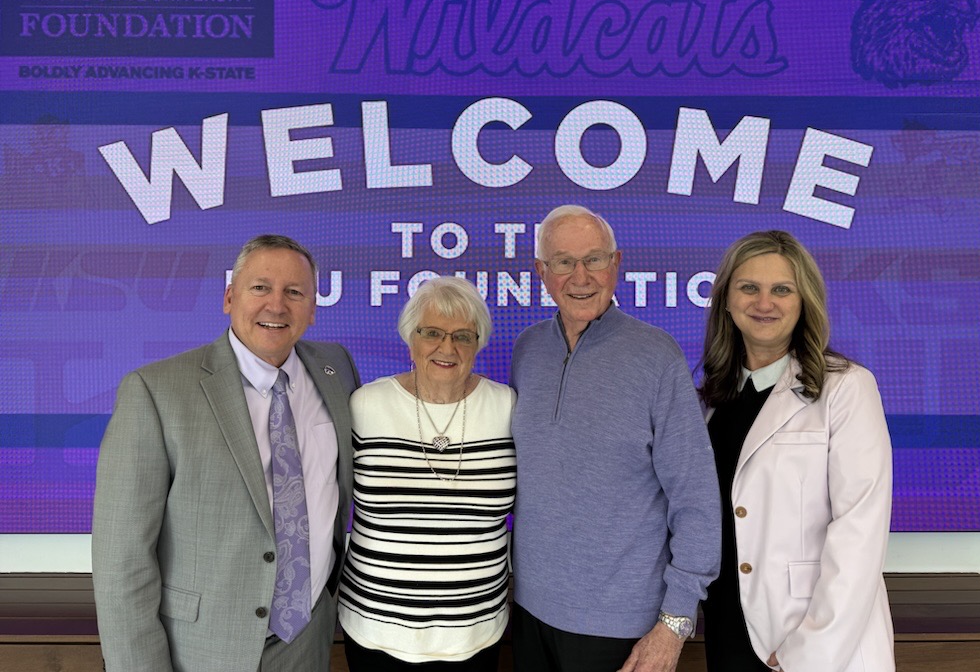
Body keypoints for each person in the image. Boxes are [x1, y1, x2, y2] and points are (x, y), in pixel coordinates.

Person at [92, 234, 360, 672]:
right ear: (229, 298)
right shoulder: (156, 391)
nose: (277, 305)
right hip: (201, 649)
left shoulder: (336, 369)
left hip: (307, 641)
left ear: (313, 310)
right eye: (260, 288)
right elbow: (121, 560)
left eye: (295, 292)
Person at [510, 205, 721, 672]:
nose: (580, 276)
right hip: (527, 614)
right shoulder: (526, 351)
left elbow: (697, 501)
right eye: (563, 261)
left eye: (595, 259)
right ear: (541, 273)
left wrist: (675, 622)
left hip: (622, 626)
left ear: (617, 264)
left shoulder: (657, 357)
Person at [699, 230, 895, 672]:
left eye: (781, 290)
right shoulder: (711, 399)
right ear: (726, 300)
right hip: (729, 625)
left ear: (804, 301)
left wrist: (807, 654)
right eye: (749, 287)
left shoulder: (846, 387)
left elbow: (859, 532)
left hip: (810, 639)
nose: (763, 303)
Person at [339, 276, 516, 671]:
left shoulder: (507, 407)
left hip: (476, 634)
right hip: (375, 632)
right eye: (432, 332)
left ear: (479, 342)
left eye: (463, 336)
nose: (447, 348)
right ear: (410, 339)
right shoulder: (366, 405)